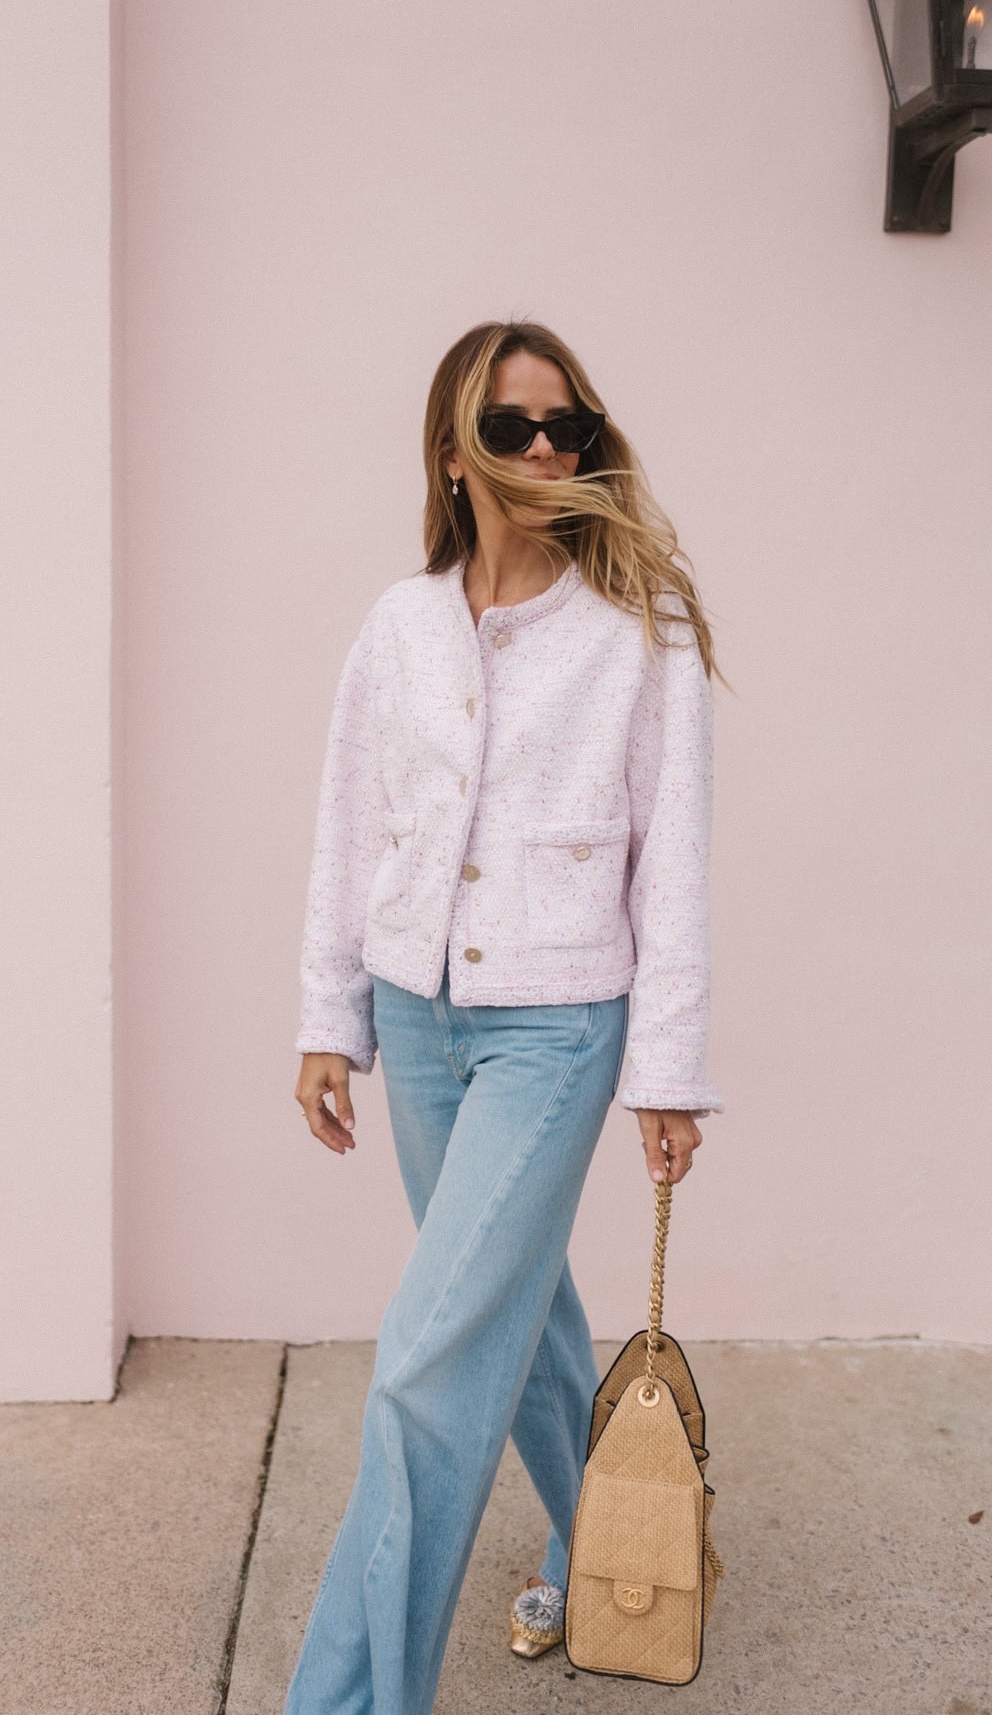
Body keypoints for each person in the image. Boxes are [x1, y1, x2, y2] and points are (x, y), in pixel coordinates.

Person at [287, 319, 728, 1714]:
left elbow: (673, 861)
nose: (543, 450)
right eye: (511, 428)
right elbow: (352, 824)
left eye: (565, 428)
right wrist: (330, 1016)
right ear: (453, 454)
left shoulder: (638, 630)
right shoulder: (401, 625)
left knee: (424, 1368)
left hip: (557, 1029)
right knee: (515, 1312)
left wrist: (666, 1070)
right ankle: (612, 1539)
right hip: (416, 1017)